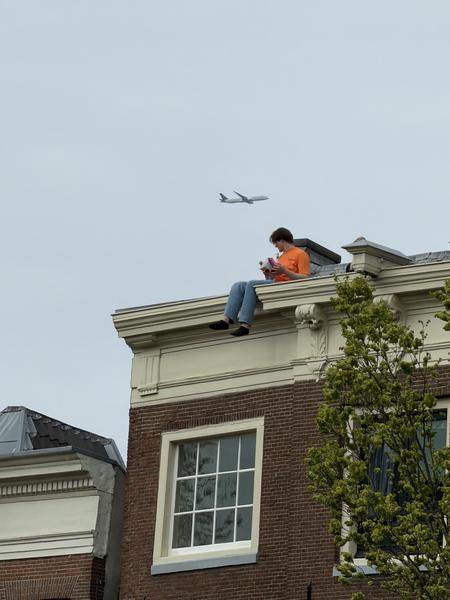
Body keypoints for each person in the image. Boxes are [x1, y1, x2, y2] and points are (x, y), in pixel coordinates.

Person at [209, 227, 310, 337]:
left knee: (252, 283)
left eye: (276, 243)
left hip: (285, 287)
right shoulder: (281, 257)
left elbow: (304, 277)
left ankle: (245, 325)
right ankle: (225, 320)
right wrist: (268, 274)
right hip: (275, 284)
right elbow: (273, 279)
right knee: (238, 285)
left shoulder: (301, 254)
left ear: (282, 240)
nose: (275, 246)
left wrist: (284, 271)